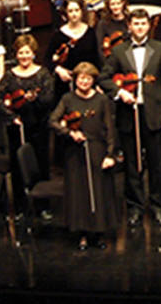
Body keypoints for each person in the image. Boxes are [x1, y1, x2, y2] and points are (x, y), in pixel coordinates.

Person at [100, 7, 161, 225]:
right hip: (128, 114)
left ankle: (158, 205)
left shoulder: (160, 49)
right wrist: (119, 91)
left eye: (143, 24)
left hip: (153, 113)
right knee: (132, 164)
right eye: (136, 24)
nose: (140, 27)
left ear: (148, 26)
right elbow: (104, 78)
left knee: (156, 163)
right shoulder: (118, 51)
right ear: (129, 26)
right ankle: (135, 206)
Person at [51, 62, 120, 250]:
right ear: (75, 79)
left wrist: (110, 154)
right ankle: (81, 233)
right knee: (78, 192)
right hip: (75, 152)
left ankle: (98, 233)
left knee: (99, 192)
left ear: (93, 80)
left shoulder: (102, 100)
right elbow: (53, 121)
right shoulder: (67, 99)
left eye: (88, 78)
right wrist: (69, 133)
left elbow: (110, 129)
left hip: (97, 150)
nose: (84, 81)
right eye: (81, 78)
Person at [0, 35, 56, 197]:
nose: (24, 56)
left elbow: (49, 100)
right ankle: (21, 204)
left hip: (38, 127)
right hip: (17, 127)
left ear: (34, 53)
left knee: (40, 162)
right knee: (17, 164)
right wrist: (11, 117)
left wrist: (35, 99)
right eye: (21, 52)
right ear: (16, 55)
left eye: (27, 52)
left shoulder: (43, 74)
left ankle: (42, 205)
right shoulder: (9, 76)